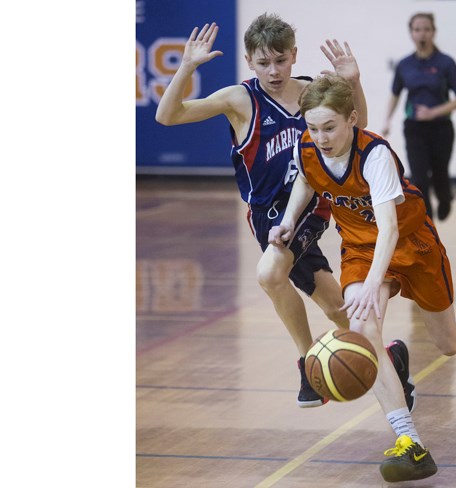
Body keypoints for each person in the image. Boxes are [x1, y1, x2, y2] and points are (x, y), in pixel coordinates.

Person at [155, 15, 415, 410]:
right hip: (264, 216)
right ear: (249, 61)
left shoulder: (313, 94)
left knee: (269, 272)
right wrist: (187, 66)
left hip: (309, 208)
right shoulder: (240, 100)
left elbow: (357, 128)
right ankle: (390, 357)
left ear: (294, 55)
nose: (273, 71)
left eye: (280, 60)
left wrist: (356, 84)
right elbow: (167, 116)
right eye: (263, 63)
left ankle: (307, 361)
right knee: (336, 308)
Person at [269, 75, 456, 483]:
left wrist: (372, 282)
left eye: (329, 127)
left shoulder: (375, 156)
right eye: (313, 128)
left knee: (449, 343)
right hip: (360, 248)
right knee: (366, 332)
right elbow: (306, 179)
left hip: (411, 245)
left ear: (352, 119)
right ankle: (410, 443)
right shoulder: (308, 147)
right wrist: (287, 220)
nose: (321, 137)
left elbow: (389, 228)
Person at [382, 12, 456, 221]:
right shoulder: (404, 64)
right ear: (411, 33)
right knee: (419, 177)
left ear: (433, 32)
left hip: (441, 128)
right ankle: (427, 221)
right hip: (414, 128)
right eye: (417, 29)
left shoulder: (446, 63)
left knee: (440, 173)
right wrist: (387, 120)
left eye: (426, 29)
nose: (422, 34)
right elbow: (395, 94)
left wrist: (434, 113)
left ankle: (445, 198)